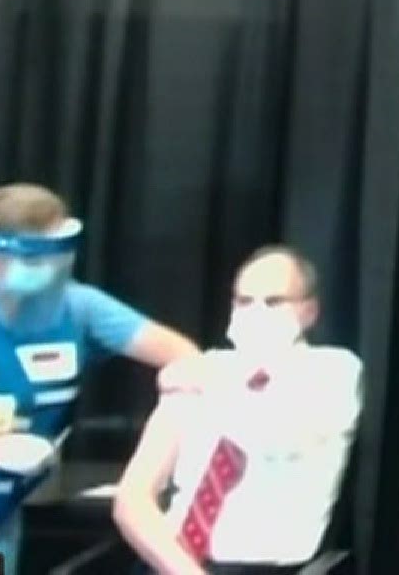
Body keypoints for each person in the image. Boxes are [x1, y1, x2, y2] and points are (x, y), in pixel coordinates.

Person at [112, 245, 361, 575]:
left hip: (260, 568)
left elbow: (271, 435)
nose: (256, 312)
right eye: (244, 301)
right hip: (173, 562)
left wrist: (211, 381)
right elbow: (132, 499)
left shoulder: (332, 371)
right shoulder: (205, 370)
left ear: (309, 312)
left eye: (273, 302)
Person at [0, 183, 199, 572]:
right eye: (35, 257)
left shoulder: (78, 307)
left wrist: (181, 380)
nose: (49, 269)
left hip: (0, 517)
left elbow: (182, 355)